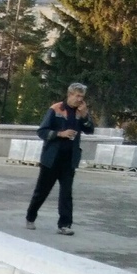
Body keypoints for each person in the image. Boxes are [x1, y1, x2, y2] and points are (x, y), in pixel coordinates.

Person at [26, 82, 95, 235]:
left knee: (66, 193)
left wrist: (85, 117)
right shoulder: (56, 109)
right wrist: (60, 134)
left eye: (82, 97)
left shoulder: (81, 112)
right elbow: (42, 131)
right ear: (69, 95)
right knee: (42, 191)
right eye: (77, 96)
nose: (79, 100)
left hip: (69, 159)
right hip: (52, 158)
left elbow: (90, 130)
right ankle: (30, 216)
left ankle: (64, 225)